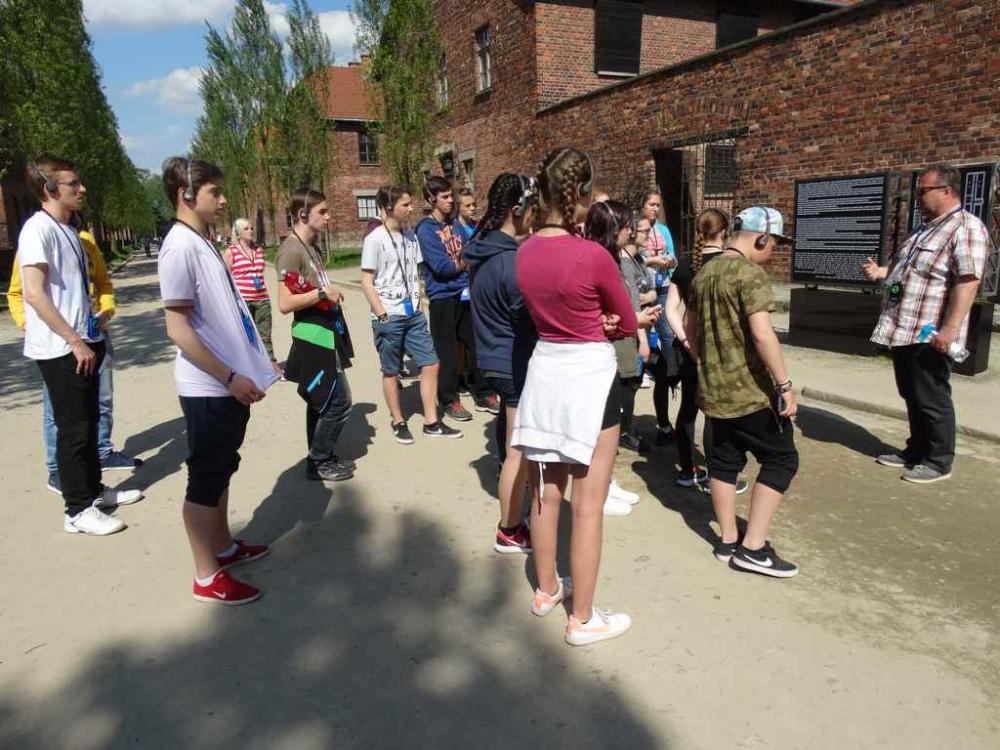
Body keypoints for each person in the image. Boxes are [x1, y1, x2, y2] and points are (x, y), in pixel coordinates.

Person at [513, 147, 638, 646]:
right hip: (589, 373)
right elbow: (626, 320)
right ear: (582, 192)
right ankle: (582, 618)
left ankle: (546, 590)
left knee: (546, 488)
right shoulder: (592, 255)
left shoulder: (524, 251)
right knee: (588, 504)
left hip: (545, 369)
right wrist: (605, 320)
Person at [159, 156, 279, 604]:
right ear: (186, 195)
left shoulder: (202, 241)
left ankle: (223, 546)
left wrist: (251, 367)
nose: (223, 200)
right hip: (210, 387)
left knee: (223, 467)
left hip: (227, 383)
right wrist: (228, 376)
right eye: (214, 191)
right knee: (205, 479)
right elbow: (178, 328)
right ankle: (206, 575)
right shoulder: (179, 246)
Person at [19, 156, 143, 535]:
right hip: (61, 349)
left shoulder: (69, 230)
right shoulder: (37, 229)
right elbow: (34, 294)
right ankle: (76, 510)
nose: (81, 189)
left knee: (89, 424)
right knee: (73, 430)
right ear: (49, 189)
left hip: (86, 341)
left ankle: (93, 492)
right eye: (73, 183)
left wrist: (94, 321)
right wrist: (73, 339)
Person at [685, 206, 799, 578]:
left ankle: (728, 540)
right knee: (782, 459)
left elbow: (689, 329)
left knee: (724, 461)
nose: (774, 252)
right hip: (750, 393)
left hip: (713, 393)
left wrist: (708, 362)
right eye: (774, 244)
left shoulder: (705, 273)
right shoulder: (750, 275)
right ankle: (753, 547)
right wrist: (784, 385)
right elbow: (763, 335)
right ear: (761, 238)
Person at [863, 163, 991, 483]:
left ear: (947, 191)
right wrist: (881, 273)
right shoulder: (924, 228)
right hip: (903, 328)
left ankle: (938, 460)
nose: (917, 197)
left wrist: (949, 330)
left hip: (930, 332)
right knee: (912, 394)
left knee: (932, 398)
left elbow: (968, 281)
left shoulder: (966, 227)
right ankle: (916, 450)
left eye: (923, 191)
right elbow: (904, 271)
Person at [8, 217, 143, 494]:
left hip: (94, 333)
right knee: (57, 409)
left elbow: (103, 283)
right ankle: (57, 470)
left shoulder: (85, 242)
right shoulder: (37, 236)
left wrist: (106, 311)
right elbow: (19, 293)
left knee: (100, 399)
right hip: (60, 340)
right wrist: (29, 325)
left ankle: (101, 453)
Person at [466, 173, 539, 553]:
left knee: (513, 449)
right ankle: (509, 529)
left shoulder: (484, 251)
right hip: (512, 363)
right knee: (517, 453)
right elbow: (527, 316)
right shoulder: (510, 262)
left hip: (493, 358)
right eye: (532, 207)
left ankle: (514, 521)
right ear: (517, 209)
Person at [361, 185, 463, 443]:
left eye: (410, 203)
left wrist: (419, 303)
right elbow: (367, 281)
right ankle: (398, 420)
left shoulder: (410, 235)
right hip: (389, 315)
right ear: (388, 208)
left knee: (431, 363)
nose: (411, 208)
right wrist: (382, 313)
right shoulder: (375, 239)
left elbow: (415, 273)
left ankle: (431, 421)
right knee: (391, 371)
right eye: (405, 204)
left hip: (414, 313)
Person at [583, 201, 663, 516]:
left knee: (610, 419)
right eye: (627, 226)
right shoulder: (597, 259)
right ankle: (596, 491)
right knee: (601, 423)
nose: (631, 231)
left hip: (614, 341)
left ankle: (605, 481)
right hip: (601, 348)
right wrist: (636, 322)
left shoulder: (614, 257)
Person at [275, 188, 356, 483]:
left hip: (326, 331)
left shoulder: (312, 247)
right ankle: (319, 458)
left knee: (320, 399)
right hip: (313, 337)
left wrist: (326, 296)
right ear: (302, 214)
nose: (328, 217)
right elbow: (284, 304)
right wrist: (322, 293)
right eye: (322, 211)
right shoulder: (291, 250)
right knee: (340, 401)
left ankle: (319, 457)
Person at [415, 176, 497, 420]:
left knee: (476, 344)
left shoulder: (455, 224)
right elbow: (441, 267)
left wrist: (462, 261)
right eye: (445, 197)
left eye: (451, 196)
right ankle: (450, 399)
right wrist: (464, 262)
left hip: (464, 293)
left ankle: (483, 392)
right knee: (447, 351)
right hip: (442, 297)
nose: (451, 200)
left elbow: (470, 249)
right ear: (431, 199)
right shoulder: (425, 229)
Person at [639, 191, 678, 431]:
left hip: (662, 287)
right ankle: (642, 370)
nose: (655, 208)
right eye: (651, 204)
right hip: (643, 290)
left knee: (667, 333)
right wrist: (652, 261)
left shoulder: (662, 230)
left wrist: (669, 262)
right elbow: (632, 258)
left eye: (657, 205)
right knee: (641, 334)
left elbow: (673, 255)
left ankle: (670, 372)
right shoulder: (637, 228)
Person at [223, 217, 278, 366]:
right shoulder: (231, 252)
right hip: (243, 301)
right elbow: (224, 276)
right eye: (246, 229)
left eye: (251, 228)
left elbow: (260, 271)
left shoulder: (258, 250)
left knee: (265, 335)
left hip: (262, 298)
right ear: (238, 233)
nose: (251, 231)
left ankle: (271, 366)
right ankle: (249, 367)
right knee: (245, 336)